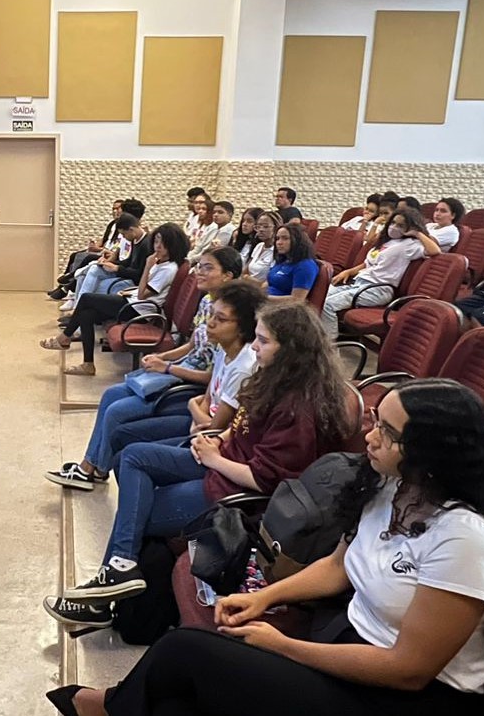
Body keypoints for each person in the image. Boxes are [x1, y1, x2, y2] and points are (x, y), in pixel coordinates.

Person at [49, 379, 484, 716]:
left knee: (185, 650)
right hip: (351, 647)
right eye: (375, 421)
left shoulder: (465, 541)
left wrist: (285, 647)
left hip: (409, 699)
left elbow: (408, 670)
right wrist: (264, 598)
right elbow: (337, 566)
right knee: (180, 703)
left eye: (386, 433)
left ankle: (109, 706)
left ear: (433, 453)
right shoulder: (392, 488)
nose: (368, 436)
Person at [43, 300, 352, 632]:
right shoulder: (273, 378)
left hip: (237, 491)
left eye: (264, 340)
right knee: (129, 458)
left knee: (137, 513)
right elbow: (242, 423)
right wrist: (219, 439)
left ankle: (112, 585)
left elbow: (266, 481)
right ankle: (120, 568)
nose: (255, 345)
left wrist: (215, 458)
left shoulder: (297, 408)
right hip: (221, 462)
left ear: (291, 349)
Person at [43, 248, 246, 488]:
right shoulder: (206, 303)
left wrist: (168, 368)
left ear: (228, 276)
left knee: (117, 411)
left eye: (208, 267)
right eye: (199, 266)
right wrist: (161, 357)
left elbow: (213, 377)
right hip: (181, 368)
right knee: (111, 394)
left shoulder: (235, 317)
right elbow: (193, 345)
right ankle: (94, 467)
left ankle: (91, 469)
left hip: (191, 384)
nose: (200, 272)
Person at [44, 224, 190, 376]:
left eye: (162, 243)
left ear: (173, 245)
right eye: (156, 241)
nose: (157, 246)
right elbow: (141, 290)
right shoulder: (161, 262)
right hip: (133, 303)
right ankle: (88, 365)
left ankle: (64, 338)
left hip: (139, 310)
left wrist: (147, 267)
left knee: (87, 299)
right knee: (87, 314)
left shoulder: (168, 269)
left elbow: (142, 295)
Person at [321, 207, 429, 337]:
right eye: (393, 223)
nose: (394, 227)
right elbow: (367, 263)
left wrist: (418, 233)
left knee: (328, 305)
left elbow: (435, 251)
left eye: (401, 225)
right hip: (359, 283)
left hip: (378, 289)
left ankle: (330, 348)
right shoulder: (386, 242)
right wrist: (349, 271)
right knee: (320, 295)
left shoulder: (410, 245)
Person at [49, 199, 125, 300]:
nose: (115, 211)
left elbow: (116, 248)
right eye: (113, 209)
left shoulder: (125, 227)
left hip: (108, 254)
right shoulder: (112, 224)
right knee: (75, 255)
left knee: (87, 258)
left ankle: (68, 285)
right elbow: (105, 239)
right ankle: (63, 285)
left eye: (118, 209)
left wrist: (99, 249)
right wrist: (94, 246)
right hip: (104, 250)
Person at [67, 213, 148, 305]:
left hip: (134, 280)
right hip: (126, 273)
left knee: (93, 277)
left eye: (124, 234)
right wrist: (111, 262)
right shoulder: (135, 239)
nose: (124, 237)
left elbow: (140, 274)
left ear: (131, 230)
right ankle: (76, 305)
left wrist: (117, 268)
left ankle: (78, 304)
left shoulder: (146, 244)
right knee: (87, 273)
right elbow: (129, 261)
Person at [265, 223, 319, 303]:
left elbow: (297, 300)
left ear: (297, 240)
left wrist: (264, 299)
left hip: (282, 310)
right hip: (265, 304)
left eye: (285, 238)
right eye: (277, 238)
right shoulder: (283, 260)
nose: (279, 242)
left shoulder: (305, 265)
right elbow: (268, 285)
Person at [246, 210, 283, 282]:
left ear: (276, 228)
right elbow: (245, 272)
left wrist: (247, 278)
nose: (261, 230)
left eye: (266, 227)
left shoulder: (277, 250)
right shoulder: (259, 246)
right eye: (258, 227)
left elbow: (269, 281)